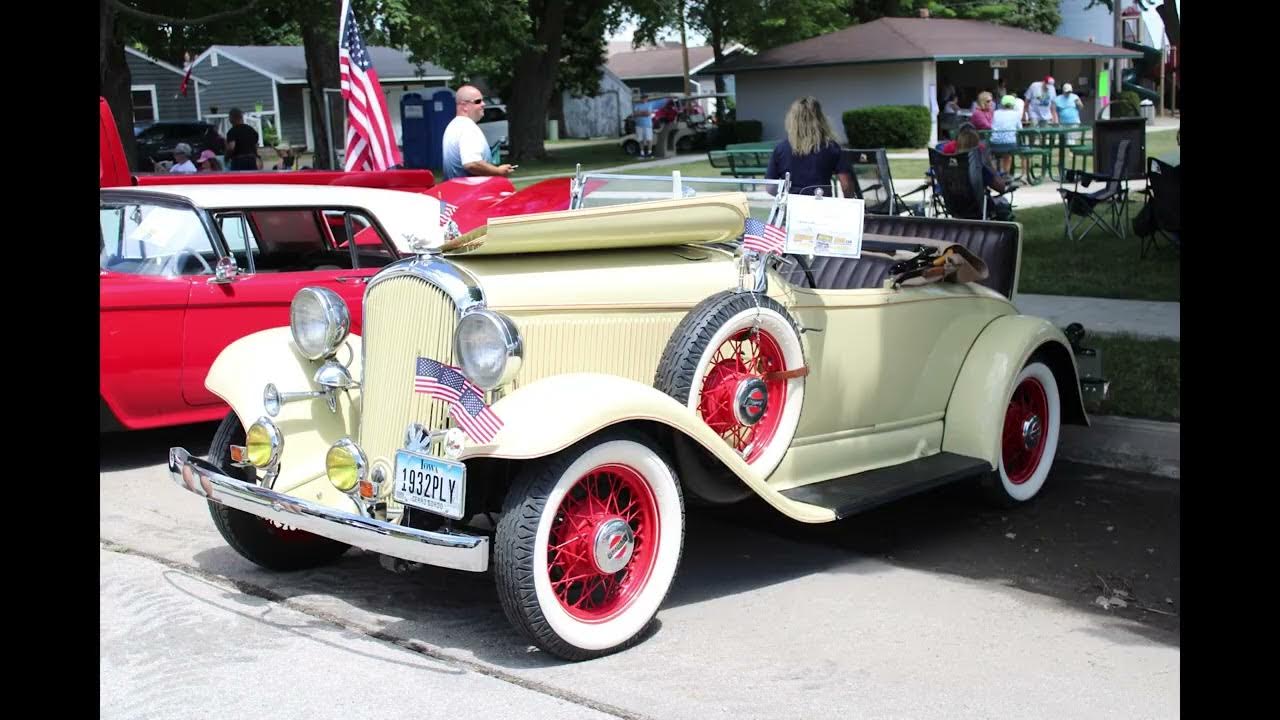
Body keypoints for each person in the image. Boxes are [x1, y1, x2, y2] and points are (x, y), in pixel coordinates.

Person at [764, 96, 854, 197]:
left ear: (792, 119)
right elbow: (846, 185)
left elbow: (770, 187)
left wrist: (785, 196)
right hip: (821, 204)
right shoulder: (832, 147)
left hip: (792, 207)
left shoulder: (781, 148)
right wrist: (849, 201)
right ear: (820, 119)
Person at [442, 85, 514, 180]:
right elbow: (472, 164)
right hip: (471, 192)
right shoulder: (468, 128)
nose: (483, 104)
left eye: (482, 100)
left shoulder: (453, 126)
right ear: (464, 106)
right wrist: (498, 171)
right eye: (478, 101)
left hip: (454, 191)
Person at [990, 95, 1022, 176]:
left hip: (994, 142)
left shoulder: (995, 113)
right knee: (1008, 156)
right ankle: (1006, 174)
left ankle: (995, 174)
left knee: (995, 155)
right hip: (1010, 143)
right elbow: (1020, 129)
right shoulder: (1016, 114)